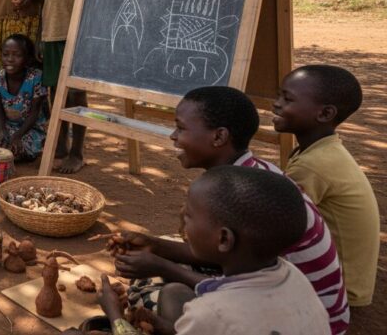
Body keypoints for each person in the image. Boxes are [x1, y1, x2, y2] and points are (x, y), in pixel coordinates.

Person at [113, 86, 349, 334]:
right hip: (296, 301)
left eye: (181, 128)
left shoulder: (247, 197)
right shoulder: (254, 176)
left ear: (219, 137)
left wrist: (162, 266)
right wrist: (154, 245)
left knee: (149, 290)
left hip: (294, 316)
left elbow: (248, 285)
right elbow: (237, 252)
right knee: (166, 260)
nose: (173, 136)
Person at [71, 167, 331, 335]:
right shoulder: (293, 275)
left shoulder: (211, 314)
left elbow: (218, 321)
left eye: (189, 217)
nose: (182, 223)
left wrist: (115, 315)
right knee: (173, 293)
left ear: (224, 239)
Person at [276, 65, 378, 307]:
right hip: (341, 279)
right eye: (279, 95)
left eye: (287, 99)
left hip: (337, 290)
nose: (276, 104)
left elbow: (273, 226)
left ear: (325, 113)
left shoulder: (313, 166)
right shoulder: (323, 150)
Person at [38, 0, 91, 174]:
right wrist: (40, 36)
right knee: (55, 94)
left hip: (77, 38)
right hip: (51, 35)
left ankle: (77, 152)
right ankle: (60, 144)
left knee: (76, 96)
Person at [0, 34, 48, 161]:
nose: (10, 59)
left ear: (27, 58)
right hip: (7, 125)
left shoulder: (36, 77)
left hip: (30, 127)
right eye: (5, 54)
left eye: (17, 55)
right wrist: (1, 130)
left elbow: (34, 113)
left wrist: (18, 136)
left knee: (16, 150)